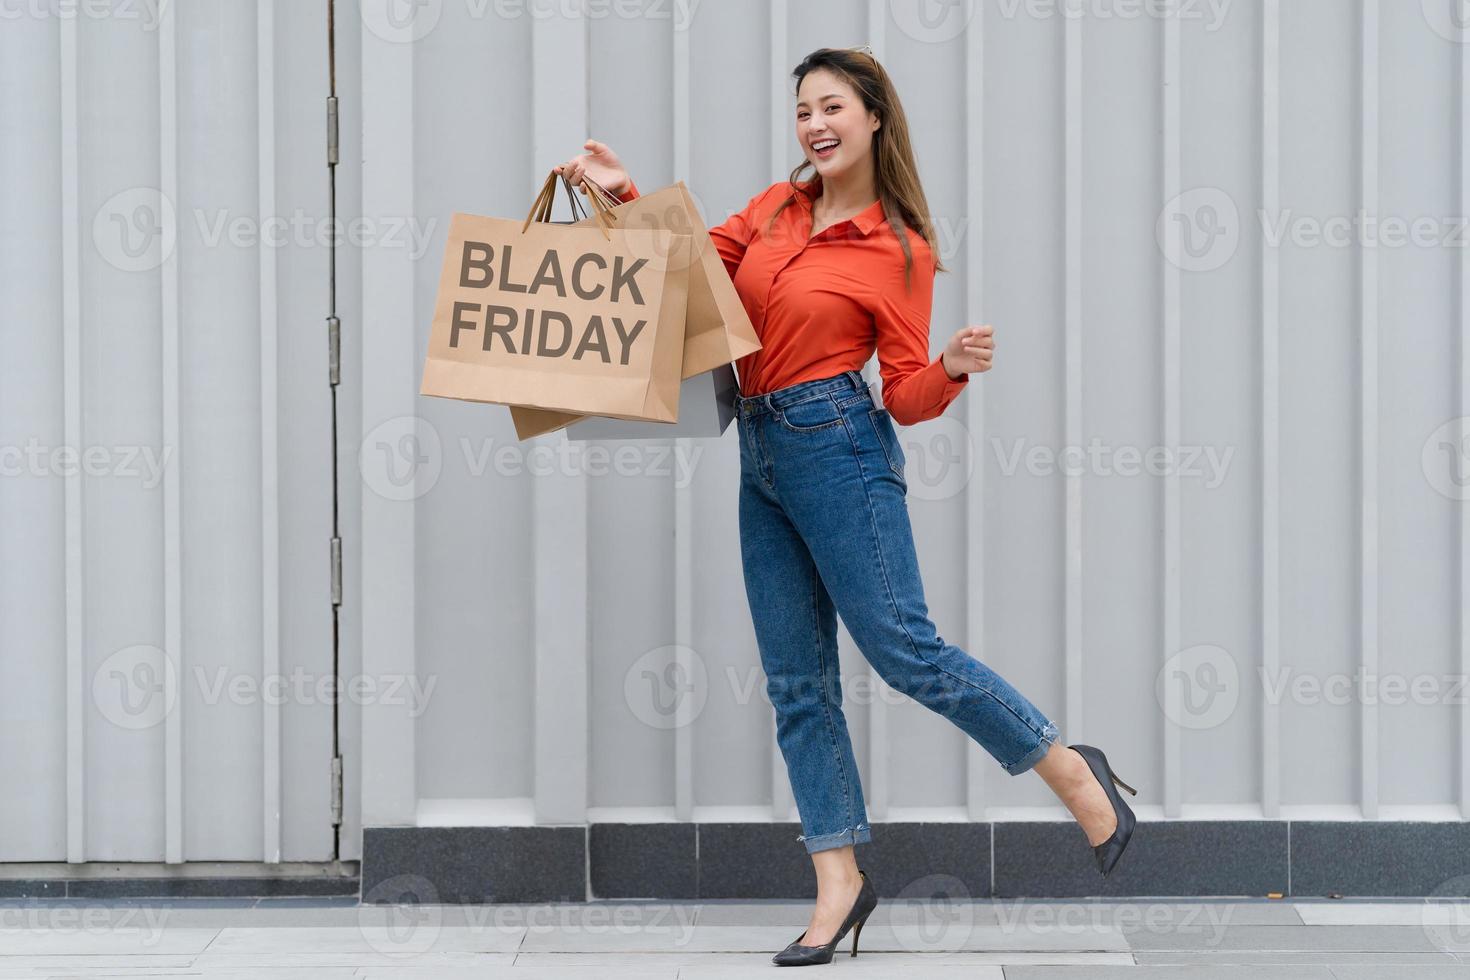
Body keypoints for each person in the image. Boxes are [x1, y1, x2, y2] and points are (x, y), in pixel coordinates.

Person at [557, 46, 1138, 967]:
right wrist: (626, 200)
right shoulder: (774, 210)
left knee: (904, 648)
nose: (814, 125)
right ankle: (839, 884)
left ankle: (1068, 766)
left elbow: (902, 390)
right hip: (759, 451)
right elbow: (692, 286)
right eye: (802, 112)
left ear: (873, 118)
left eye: (832, 107)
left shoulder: (901, 248)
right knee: (795, 681)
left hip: (841, 450)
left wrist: (946, 367)